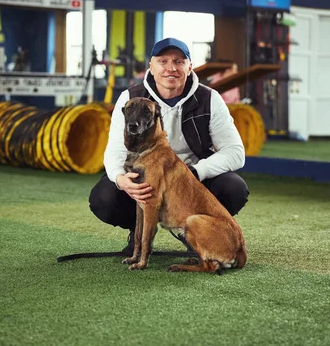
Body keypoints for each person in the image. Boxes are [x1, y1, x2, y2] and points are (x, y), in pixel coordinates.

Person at [89, 37, 249, 255]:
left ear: (190, 67)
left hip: (191, 180)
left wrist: (196, 172)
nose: (171, 68)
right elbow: (115, 150)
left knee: (234, 188)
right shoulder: (130, 97)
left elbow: (235, 153)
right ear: (151, 67)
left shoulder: (210, 98)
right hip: (145, 176)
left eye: (179, 61)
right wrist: (120, 179)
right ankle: (138, 235)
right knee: (103, 197)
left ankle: (196, 234)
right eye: (163, 61)